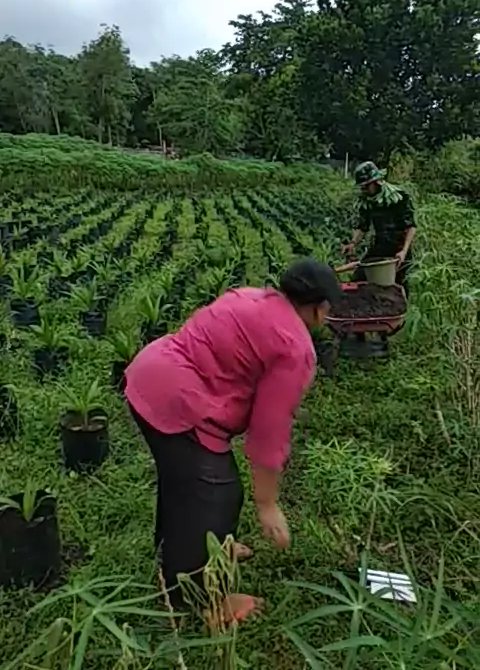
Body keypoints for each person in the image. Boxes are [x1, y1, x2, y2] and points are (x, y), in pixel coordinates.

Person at [124, 258, 339, 622]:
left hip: (148, 376)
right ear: (319, 309)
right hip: (179, 404)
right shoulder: (295, 349)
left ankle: (184, 549)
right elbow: (268, 430)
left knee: (183, 481)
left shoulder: (249, 296)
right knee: (216, 495)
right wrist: (267, 504)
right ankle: (201, 598)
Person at [342, 161, 416, 295]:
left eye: (366, 186)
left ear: (376, 182)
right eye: (362, 187)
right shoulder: (367, 201)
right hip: (380, 244)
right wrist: (352, 243)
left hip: (399, 245)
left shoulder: (400, 198)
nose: (364, 190)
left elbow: (410, 226)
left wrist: (404, 251)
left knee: (397, 286)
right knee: (359, 277)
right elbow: (363, 226)